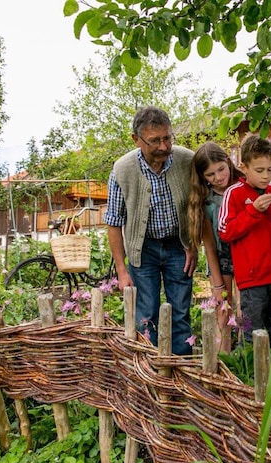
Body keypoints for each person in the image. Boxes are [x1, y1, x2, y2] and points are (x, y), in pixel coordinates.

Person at [103, 106, 197, 355]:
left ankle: (181, 371)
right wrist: (122, 271)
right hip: (143, 251)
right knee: (146, 314)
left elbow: (200, 205)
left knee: (180, 312)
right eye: (155, 141)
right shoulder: (122, 170)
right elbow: (113, 221)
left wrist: (192, 244)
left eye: (167, 138)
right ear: (137, 140)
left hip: (179, 247)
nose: (164, 147)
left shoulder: (187, 160)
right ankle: (150, 373)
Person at [218, 134, 271, 348]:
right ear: (244, 167)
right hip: (252, 281)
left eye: (270, 169)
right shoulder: (234, 194)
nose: (266, 176)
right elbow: (225, 231)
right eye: (259, 170)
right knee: (253, 334)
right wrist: (252, 211)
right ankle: (251, 378)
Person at [188, 142, 244, 353]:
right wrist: (218, 284)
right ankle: (223, 361)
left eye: (221, 169)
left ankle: (245, 360)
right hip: (220, 260)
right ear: (203, 177)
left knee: (244, 311)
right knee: (223, 311)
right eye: (210, 175)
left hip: (245, 257)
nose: (219, 177)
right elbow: (210, 247)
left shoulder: (243, 188)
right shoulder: (206, 203)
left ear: (228, 161)